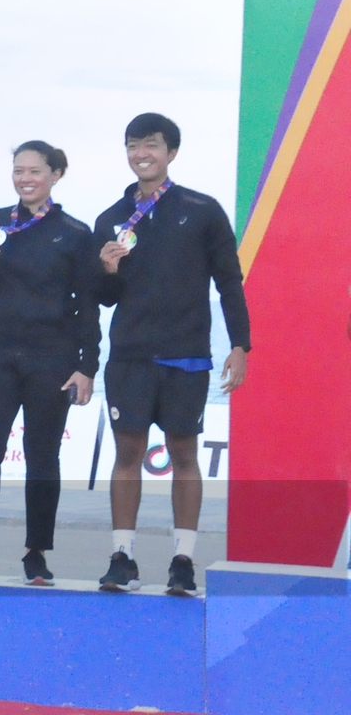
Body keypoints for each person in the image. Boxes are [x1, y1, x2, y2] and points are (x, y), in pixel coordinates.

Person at [93, 112, 250, 598]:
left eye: (152, 145)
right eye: (133, 145)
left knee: (184, 455)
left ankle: (183, 561)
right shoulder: (110, 218)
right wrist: (106, 270)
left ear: (172, 152)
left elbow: (228, 282)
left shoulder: (201, 210)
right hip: (130, 357)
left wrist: (240, 345)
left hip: (186, 355)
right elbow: (103, 297)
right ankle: (123, 557)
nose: (142, 154)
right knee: (128, 453)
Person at [0, 141, 100, 588]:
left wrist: (87, 366)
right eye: (18, 171)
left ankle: (37, 553)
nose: (25, 179)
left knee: (42, 457)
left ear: (56, 174)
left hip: (51, 359)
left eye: (35, 171)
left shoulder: (75, 233)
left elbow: (89, 306)